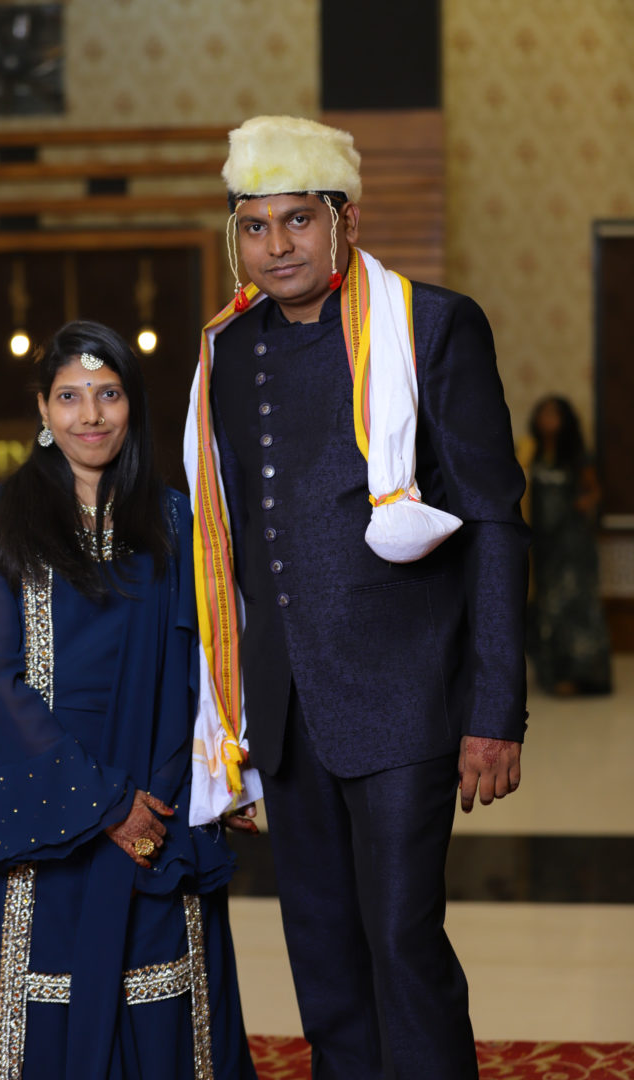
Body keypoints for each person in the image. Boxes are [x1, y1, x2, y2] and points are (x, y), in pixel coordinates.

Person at [183, 116, 530, 1079]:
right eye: (256, 226)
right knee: (323, 953)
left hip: (406, 696)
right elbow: (223, 537)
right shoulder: (227, 350)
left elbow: (495, 522)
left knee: (403, 941)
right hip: (285, 708)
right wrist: (224, 723)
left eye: (299, 219)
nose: (277, 246)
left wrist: (495, 708)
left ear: (347, 220)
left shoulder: (432, 326)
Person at [0, 321, 257, 1080]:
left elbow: (201, 665)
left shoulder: (174, 520)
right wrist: (105, 804)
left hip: (157, 786)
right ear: (43, 409)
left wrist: (179, 786)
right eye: (69, 397)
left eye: (108, 394)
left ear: (133, 405)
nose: (90, 415)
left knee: (156, 970)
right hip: (31, 780)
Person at [525, 395, 612, 696]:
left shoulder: (576, 455)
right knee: (547, 606)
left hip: (572, 545)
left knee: (575, 607)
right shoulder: (530, 453)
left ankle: (585, 677)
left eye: (554, 414)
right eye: (543, 413)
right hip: (543, 545)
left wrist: (581, 505)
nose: (547, 420)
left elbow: (594, 492)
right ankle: (554, 674)